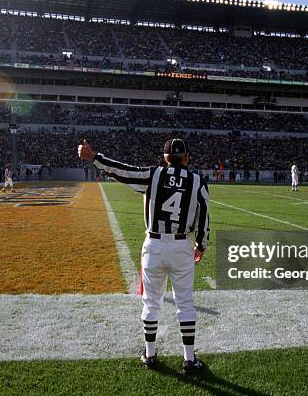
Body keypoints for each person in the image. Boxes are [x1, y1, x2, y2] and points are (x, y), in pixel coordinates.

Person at [78, 138, 210, 374]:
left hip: (155, 245)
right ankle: (189, 359)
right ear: (187, 157)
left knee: (151, 302)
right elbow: (205, 218)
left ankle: (149, 354)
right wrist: (201, 245)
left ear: (165, 158)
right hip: (181, 246)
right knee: (185, 303)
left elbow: (122, 171)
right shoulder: (198, 182)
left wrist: (94, 157)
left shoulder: (154, 175)